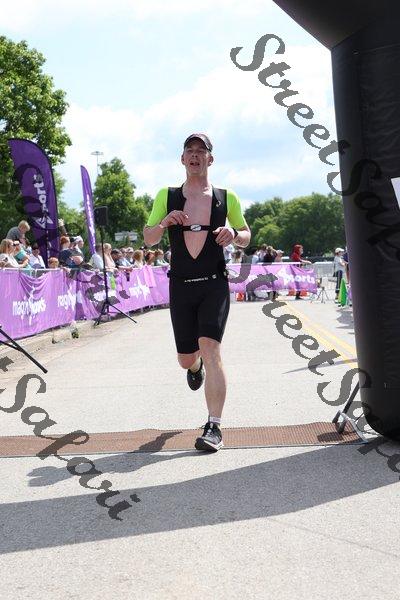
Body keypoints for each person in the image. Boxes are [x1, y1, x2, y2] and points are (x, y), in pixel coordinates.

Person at [143, 133, 250, 452]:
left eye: (200, 151)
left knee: (211, 348)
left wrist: (234, 233)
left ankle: (214, 426)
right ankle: (194, 367)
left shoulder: (226, 197)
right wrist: (164, 223)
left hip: (214, 283)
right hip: (181, 285)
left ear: (210, 159)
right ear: (182, 159)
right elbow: (149, 238)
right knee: (186, 358)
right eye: (189, 150)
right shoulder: (167, 195)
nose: (194, 155)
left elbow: (246, 234)